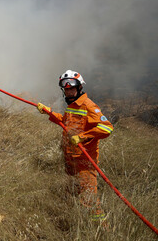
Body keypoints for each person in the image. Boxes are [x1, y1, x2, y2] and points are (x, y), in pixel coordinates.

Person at [37, 70, 113, 222]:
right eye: (66, 89)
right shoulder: (72, 105)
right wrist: (48, 112)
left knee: (88, 198)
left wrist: (82, 137)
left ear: (79, 88)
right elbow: (65, 122)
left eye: (71, 88)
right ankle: (73, 222)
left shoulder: (88, 106)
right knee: (71, 191)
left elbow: (107, 128)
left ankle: (100, 229)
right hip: (70, 158)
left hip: (85, 161)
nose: (68, 91)